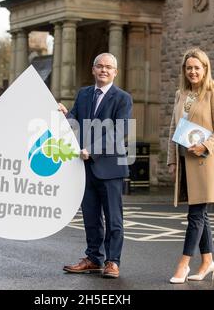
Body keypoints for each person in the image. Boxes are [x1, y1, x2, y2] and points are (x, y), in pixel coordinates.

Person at [59, 53, 133, 278]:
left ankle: (112, 261)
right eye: (99, 66)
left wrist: (93, 150)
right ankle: (93, 258)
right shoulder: (83, 94)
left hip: (110, 168)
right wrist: (66, 115)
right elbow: (76, 124)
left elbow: (120, 131)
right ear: (93, 70)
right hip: (85, 168)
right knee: (91, 217)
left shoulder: (122, 98)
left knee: (113, 219)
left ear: (115, 72)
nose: (104, 70)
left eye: (108, 67)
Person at [167, 48, 214, 283]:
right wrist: (172, 160)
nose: (193, 71)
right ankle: (207, 262)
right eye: (189, 67)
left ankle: (183, 265)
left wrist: (204, 146)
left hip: (205, 162)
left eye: (197, 67)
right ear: (184, 70)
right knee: (201, 215)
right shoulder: (180, 94)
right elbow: (173, 128)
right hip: (184, 161)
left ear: (205, 69)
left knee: (195, 215)